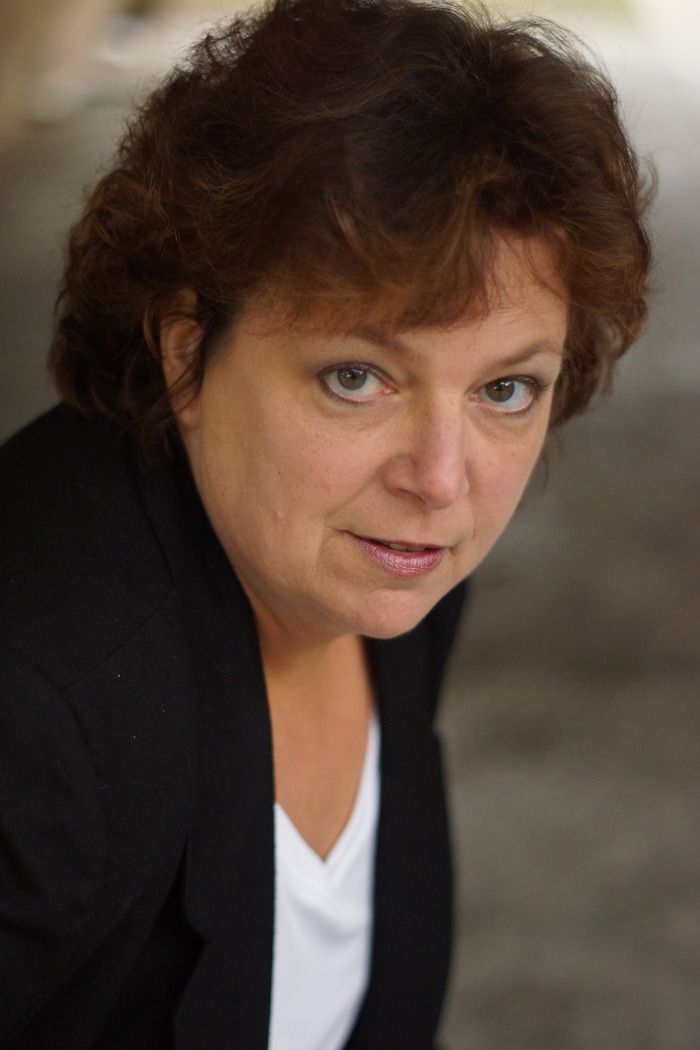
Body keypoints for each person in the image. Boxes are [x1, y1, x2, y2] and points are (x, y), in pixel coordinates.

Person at [0, 0, 651, 1046]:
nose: (441, 480)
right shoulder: (37, 709)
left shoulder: (381, 562)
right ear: (185, 351)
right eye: (357, 376)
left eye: (505, 389)